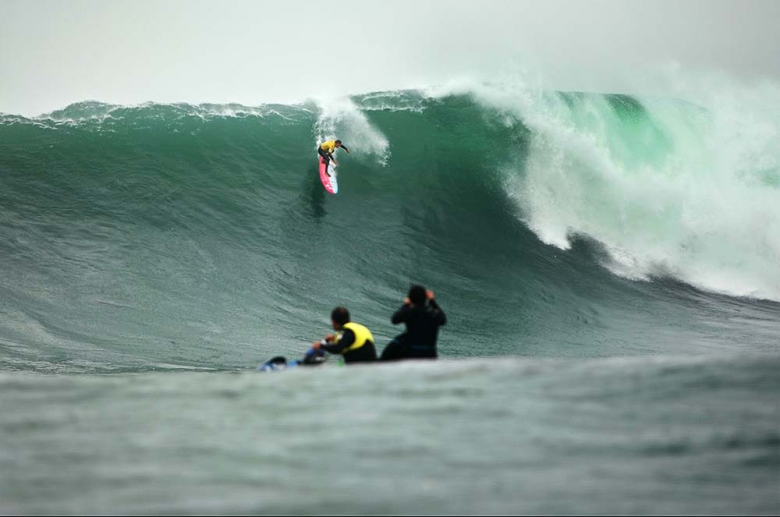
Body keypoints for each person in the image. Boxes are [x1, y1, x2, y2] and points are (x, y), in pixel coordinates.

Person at [380, 285, 447, 361]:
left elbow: (395, 320)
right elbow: (443, 320)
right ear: (425, 298)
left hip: (411, 353)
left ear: (411, 299)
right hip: (430, 354)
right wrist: (432, 301)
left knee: (393, 346)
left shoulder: (411, 312)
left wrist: (406, 305)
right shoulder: (434, 313)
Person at [312, 306, 377, 364]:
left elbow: (337, 349)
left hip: (360, 368)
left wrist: (321, 345)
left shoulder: (346, 331)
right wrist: (335, 338)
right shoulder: (356, 327)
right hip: (371, 365)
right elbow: (352, 341)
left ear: (334, 322)